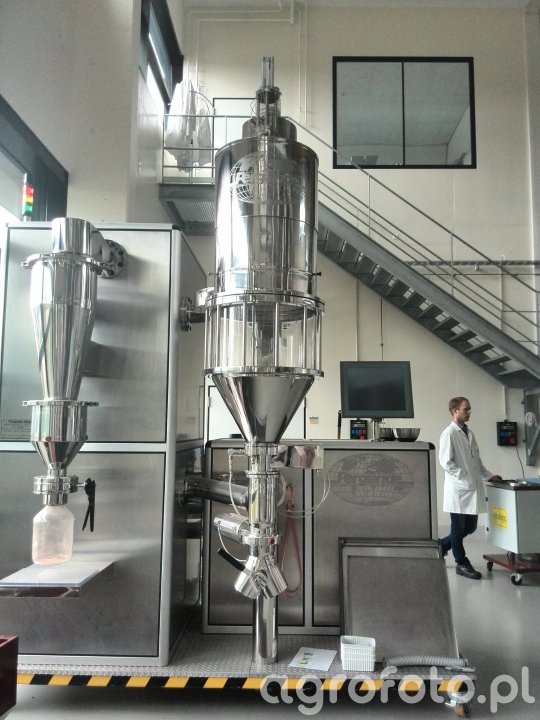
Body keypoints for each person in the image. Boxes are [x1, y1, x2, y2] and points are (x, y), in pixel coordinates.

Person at [438, 396, 502, 579]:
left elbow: (477, 461)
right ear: (455, 411)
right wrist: (464, 476)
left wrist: (489, 476)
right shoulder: (449, 434)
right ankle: (462, 563)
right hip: (459, 489)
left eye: (469, 409)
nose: (469, 412)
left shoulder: (469, 433)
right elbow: (446, 462)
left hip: (471, 488)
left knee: (471, 527)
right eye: (466, 409)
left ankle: (442, 545)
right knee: (458, 529)